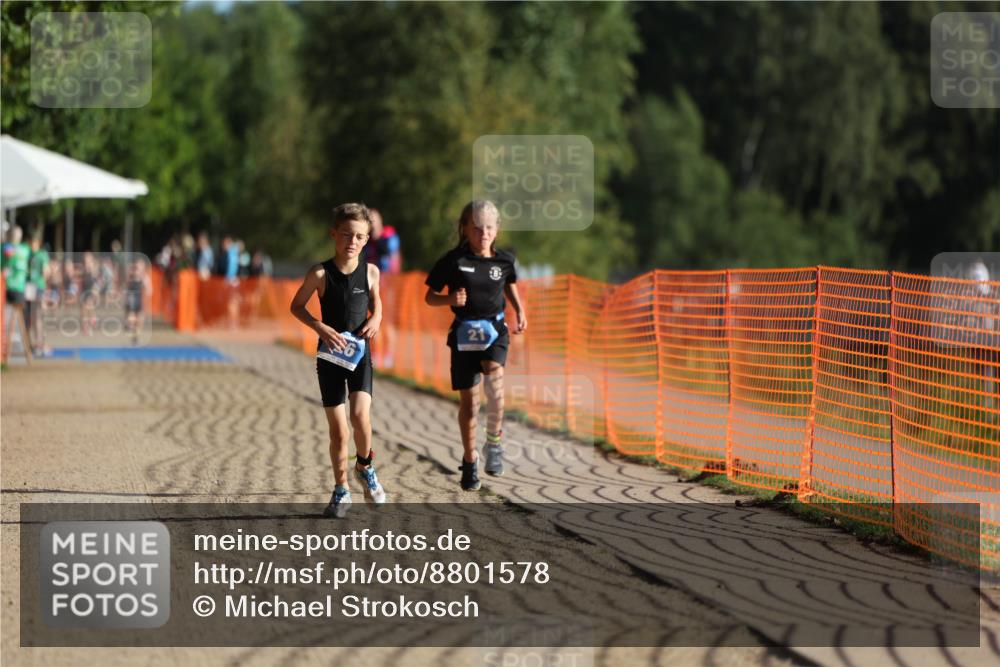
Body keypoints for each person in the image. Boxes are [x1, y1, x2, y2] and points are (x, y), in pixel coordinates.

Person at [290, 203, 387, 517]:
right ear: (334, 234)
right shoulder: (320, 273)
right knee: (339, 432)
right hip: (330, 357)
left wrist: (378, 319)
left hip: (360, 354)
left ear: (368, 238)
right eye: (346, 234)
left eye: (360, 236)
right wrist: (319, 326)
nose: (353, 241)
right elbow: (297, 306)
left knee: (360, 416)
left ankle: (365, 467)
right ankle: (341, 489)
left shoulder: (371, 271)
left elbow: (378, 304)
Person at [424, 200, 527, 490]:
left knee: (495, 386)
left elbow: (510, 284)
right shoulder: (452, 261)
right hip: (464, 334)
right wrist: (449, 300)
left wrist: (519, 310)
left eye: (489, 228)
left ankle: (494, 443)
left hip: (495, 330)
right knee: (470, 404)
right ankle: (470, 460)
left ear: (497, 230)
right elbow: (430, 297)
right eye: (477, 227)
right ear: (465, 229)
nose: (484, 233)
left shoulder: (505, 261)